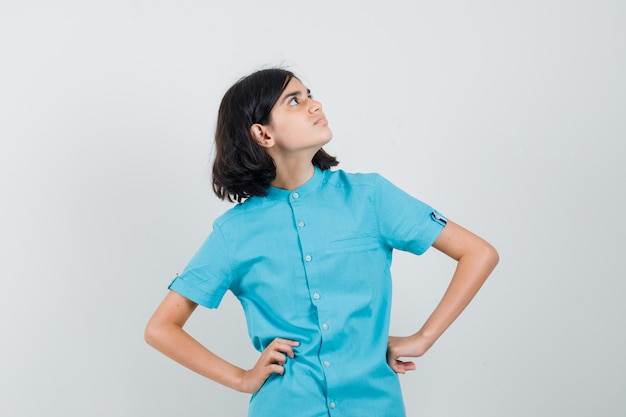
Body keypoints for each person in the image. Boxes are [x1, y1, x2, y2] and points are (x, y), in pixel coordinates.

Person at [144, 68, 499, 417]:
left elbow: (478, 253)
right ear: (262, 133)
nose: (314, 105)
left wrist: (424, 337)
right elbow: (161, 328)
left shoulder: (370, 197)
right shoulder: (234, 232)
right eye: (294, 101)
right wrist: (241, 379)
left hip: (375, 406)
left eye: (309, 95)